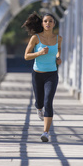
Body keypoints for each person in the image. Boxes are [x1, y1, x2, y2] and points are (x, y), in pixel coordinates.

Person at [22, 11, 62, 142]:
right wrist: (39, 53)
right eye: (45, 21)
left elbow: (58, 50)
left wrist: (58, 58)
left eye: (50, 21)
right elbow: (26, 56)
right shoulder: (36, 38)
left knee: (48, 102)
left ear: (54, 23)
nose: (48, 23)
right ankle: (38, 107)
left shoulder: (58, 38)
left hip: (52, 74)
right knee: (40, 102)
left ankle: (45, 132)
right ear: (42, 23)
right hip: (37, 74)